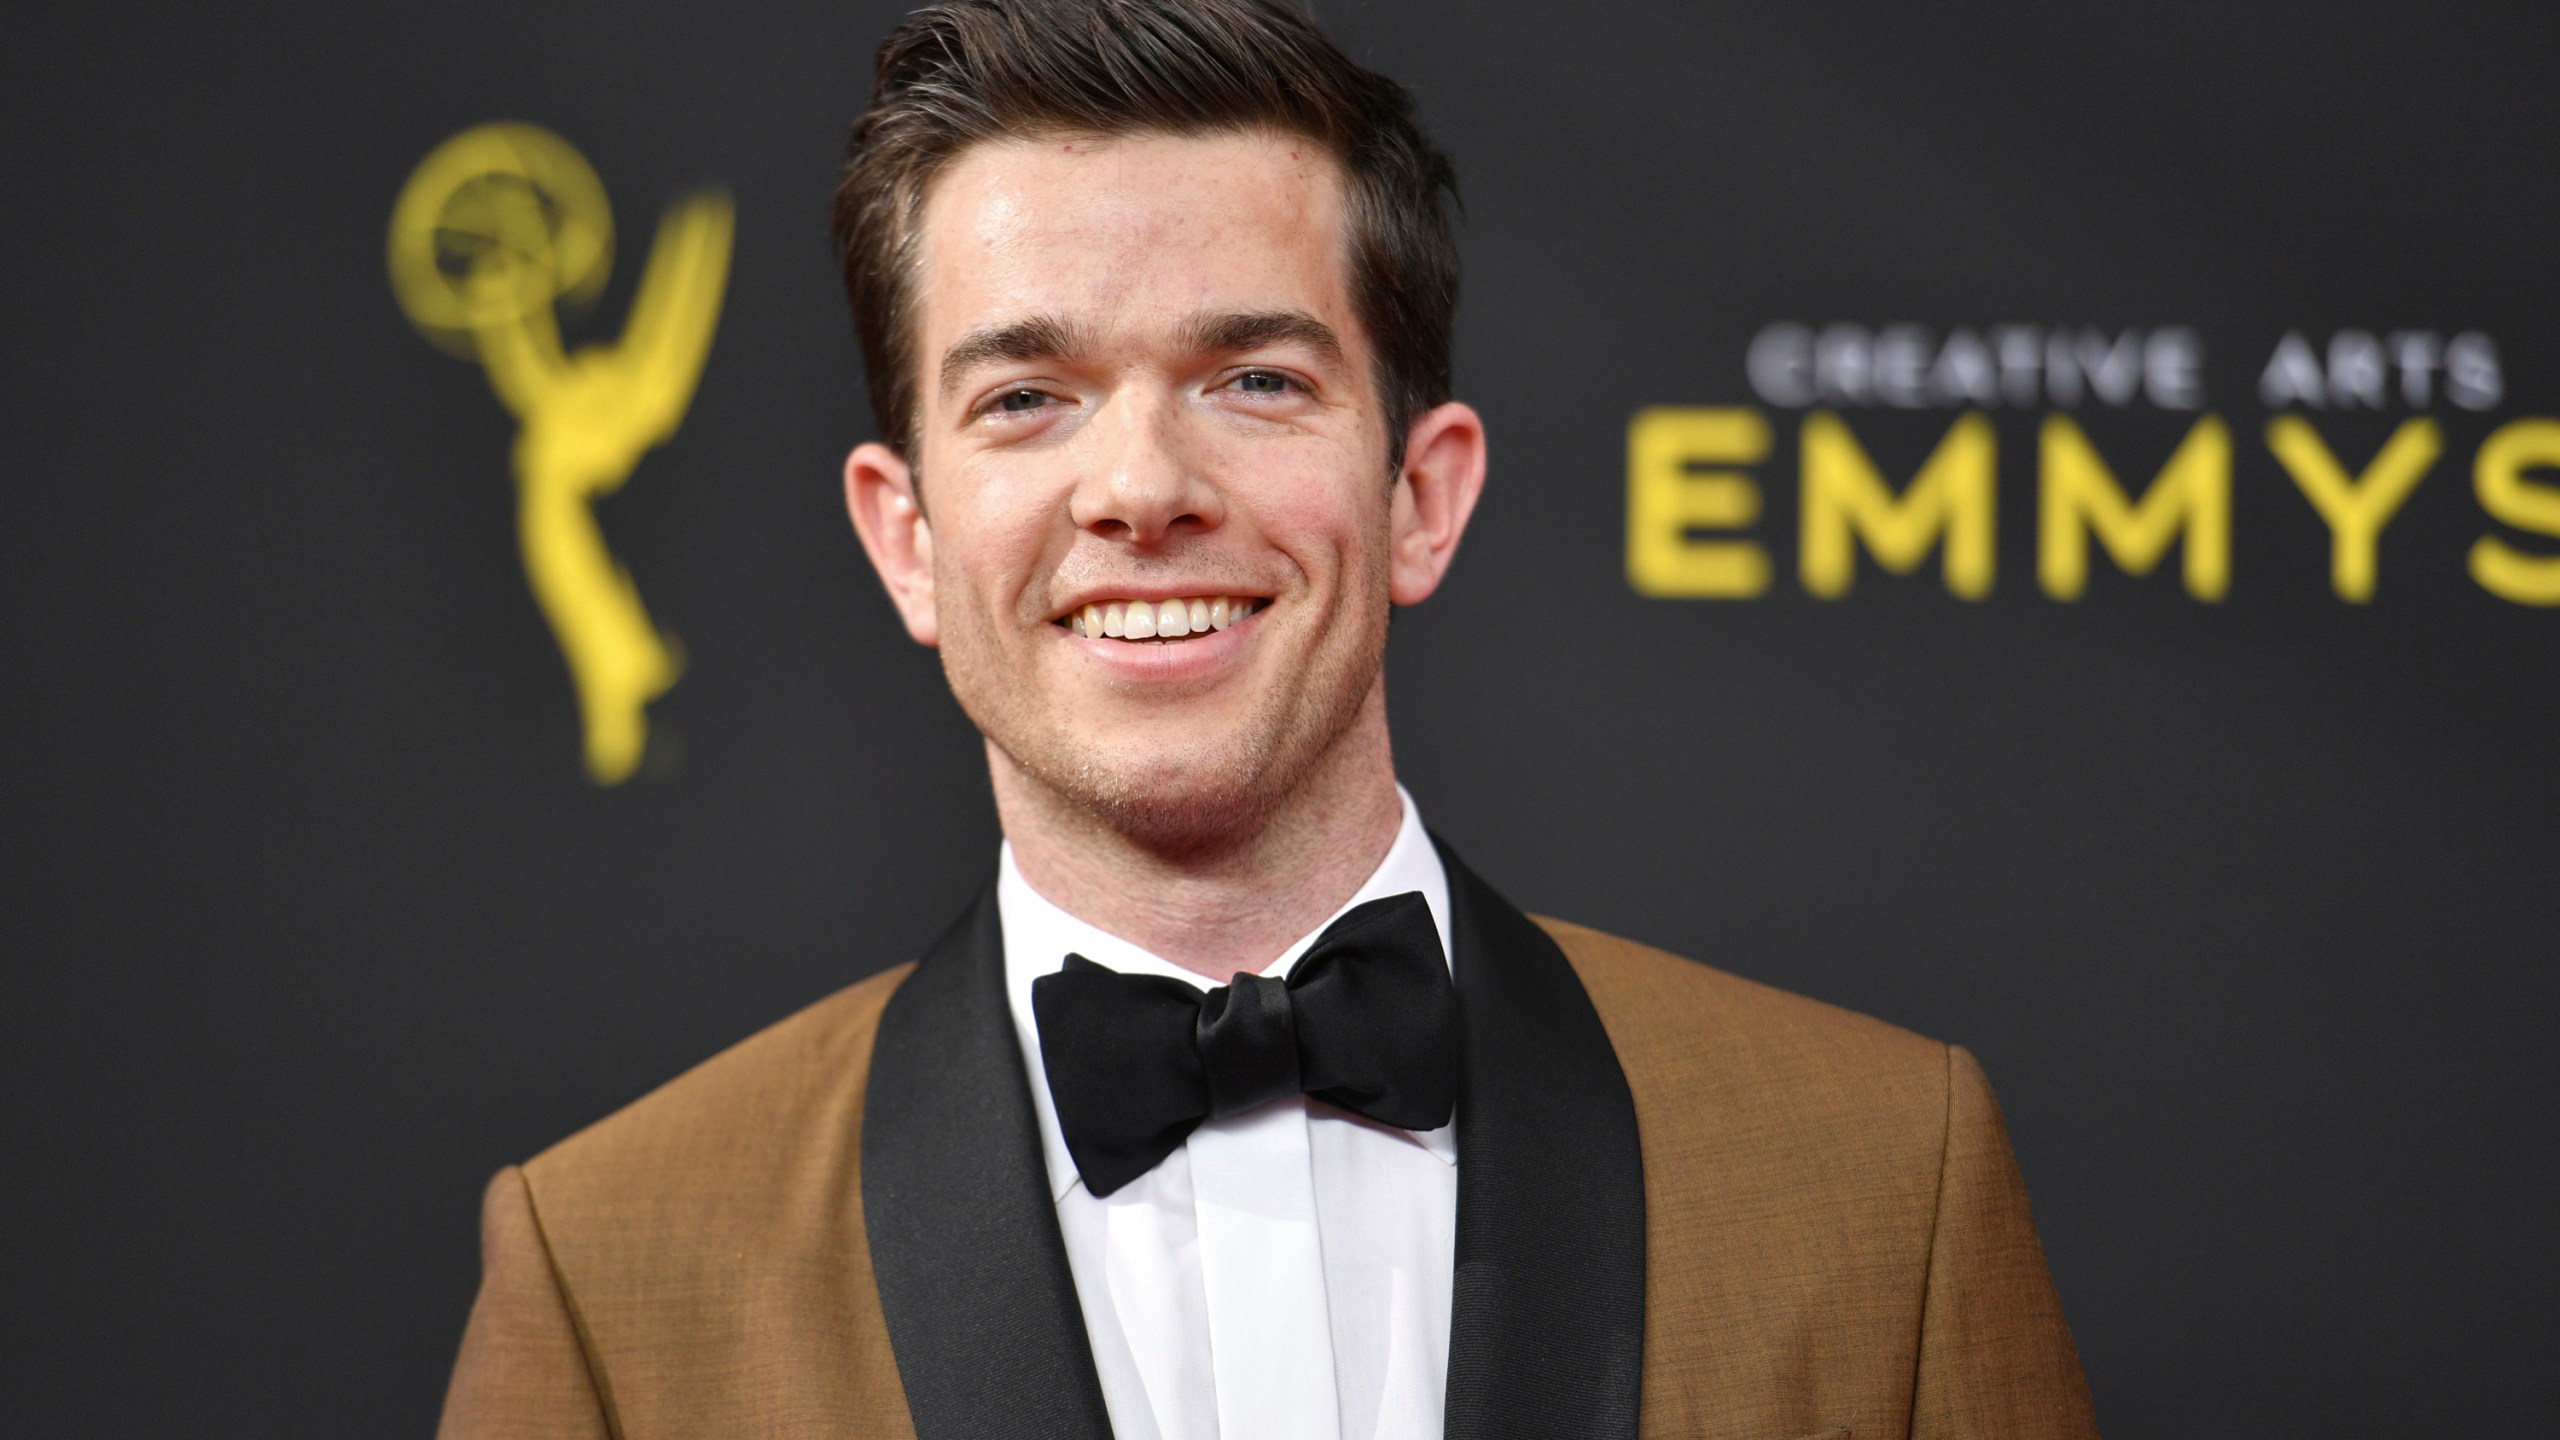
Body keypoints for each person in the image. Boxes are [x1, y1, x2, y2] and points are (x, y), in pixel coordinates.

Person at [436, 2, 2098, 1436]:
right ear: (908, 540)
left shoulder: (1887, 1184)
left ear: (1422, 497)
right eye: (1028, 398)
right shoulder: (613, 1271)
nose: (1144, 487)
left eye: (1256, 380)